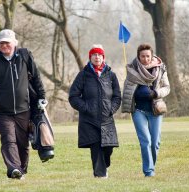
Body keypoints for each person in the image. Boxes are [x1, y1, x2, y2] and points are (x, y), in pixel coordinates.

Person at [0, 29, 47, 179]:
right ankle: (13, 169)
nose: (4, 45)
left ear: (14, 43)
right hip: (3, 111)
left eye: (7, 42)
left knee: (23, 143)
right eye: (1, 43)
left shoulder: (24, 56)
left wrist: (41, 97)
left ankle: (21, 170)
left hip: (24, 109)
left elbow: (36, 78)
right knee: (8, 139)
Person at [69, 44, 121, 178]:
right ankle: (100, 175)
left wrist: (112, 109)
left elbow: (117, 96)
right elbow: (73, 97)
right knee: (96, 146)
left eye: (99, 55)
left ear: (103, 57)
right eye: (94, 55)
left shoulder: (111, 75)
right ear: (90, 57)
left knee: (108, 148)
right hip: (89, 120)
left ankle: (105, 166)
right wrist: (86, 108)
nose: (97, 57)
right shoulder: (83, 75)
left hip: (106, 118)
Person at [121, 43, 170, 177]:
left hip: (156, 111)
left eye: (148, 56)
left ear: (152, 55)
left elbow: (167, 87)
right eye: (142, 56)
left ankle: (151, 166)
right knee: (145, 141)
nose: (145, 59)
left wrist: (156, 93)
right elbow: (127, 89)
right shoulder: (132, 70)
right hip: (139, 111)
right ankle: (149, 172)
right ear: (138, 56)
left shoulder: (160, 68)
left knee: (155, 143)